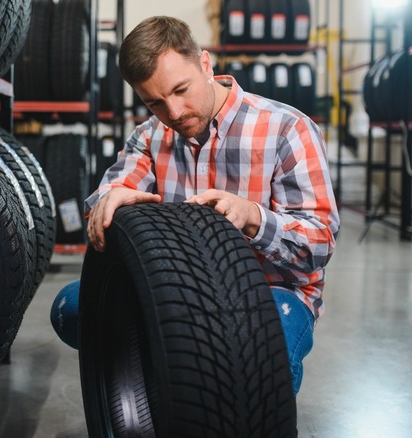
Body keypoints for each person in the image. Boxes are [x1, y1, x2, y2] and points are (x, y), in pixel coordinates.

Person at [51, 15, 340, 396]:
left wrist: (253, 218)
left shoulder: (287, 129)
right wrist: (110, 202)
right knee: (72, 307)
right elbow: (110, 196)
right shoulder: (149, 135)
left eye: (181, 89)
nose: (173, 112)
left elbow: (318, 245)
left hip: (270, 289)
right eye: (154, 102)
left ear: (205, 64)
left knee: (261, 360)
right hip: (178, 286)